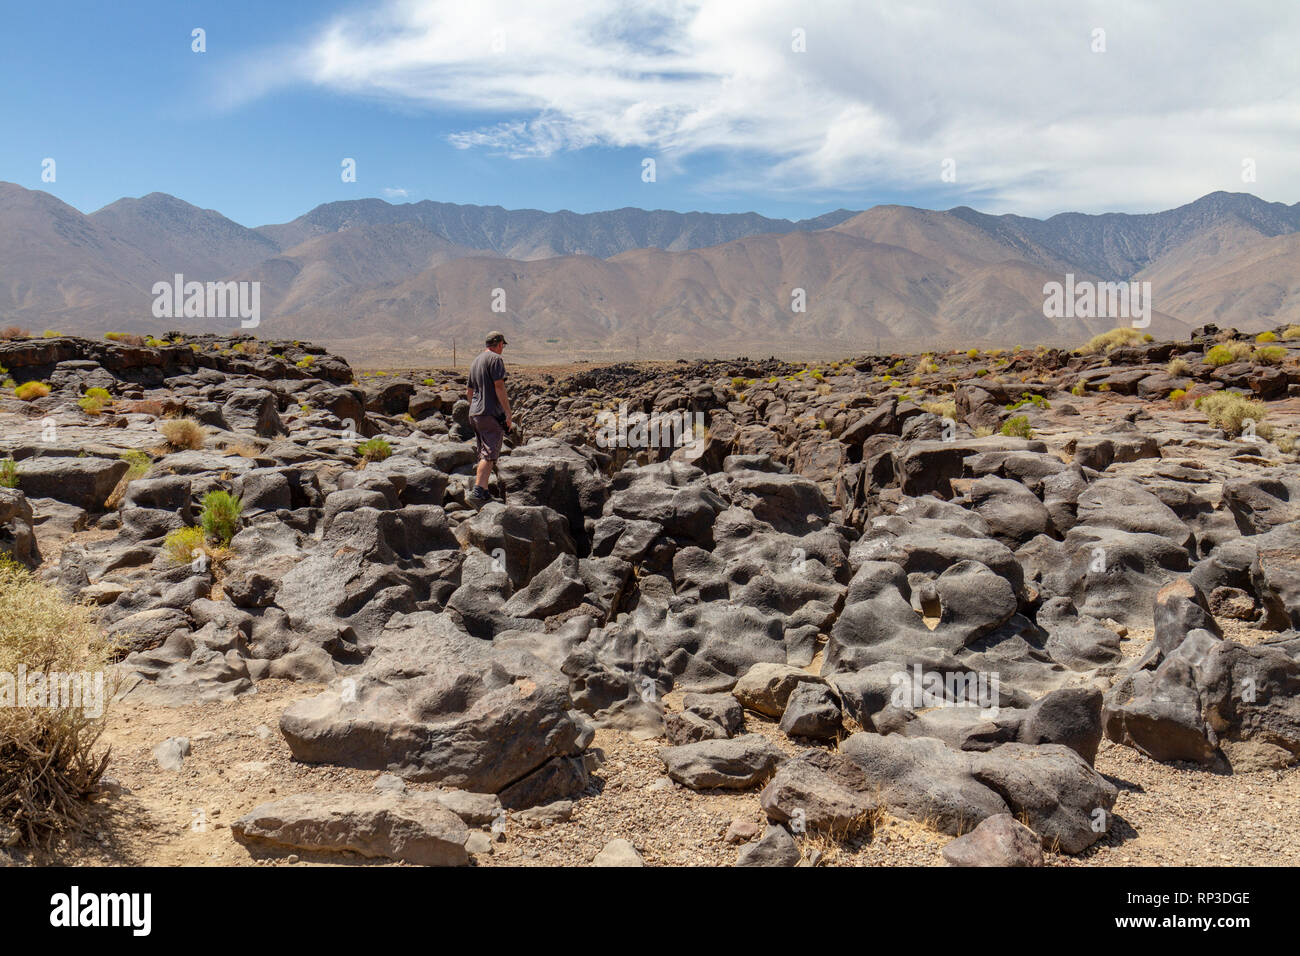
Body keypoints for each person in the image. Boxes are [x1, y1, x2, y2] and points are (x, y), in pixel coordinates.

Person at [466, 331, 511, 505]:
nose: (502, 349)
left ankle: (484, 491)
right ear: (499, 344)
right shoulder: (496, 359)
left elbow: (469, 392)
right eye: (503, 346)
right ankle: (478, 491)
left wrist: (475, 408)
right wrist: (507, 413)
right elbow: (499, 387)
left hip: (475, 413)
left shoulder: (475, 361)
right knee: (490, 454)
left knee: (483, 451)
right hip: (489, 413)